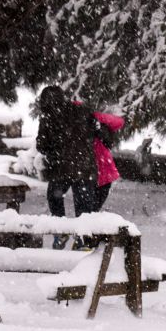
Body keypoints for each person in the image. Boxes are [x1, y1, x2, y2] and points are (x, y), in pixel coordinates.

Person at [36, 86, 98, 249]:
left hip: (61, 167)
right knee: (84, 203)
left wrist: (54, 148)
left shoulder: (48, 117)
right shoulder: (81, 111)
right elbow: (96, 131)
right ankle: (83, 239)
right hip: (85, 166)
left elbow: (41, 145)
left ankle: (60, 230)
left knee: (54, 197)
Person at [90, 110, 125, 211]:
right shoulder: (79, 126)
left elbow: (119, 122)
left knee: (94, 209)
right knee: (88, 211)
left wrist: (96, 116)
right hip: (90, 173)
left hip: (104, 172)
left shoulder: (100, 124)